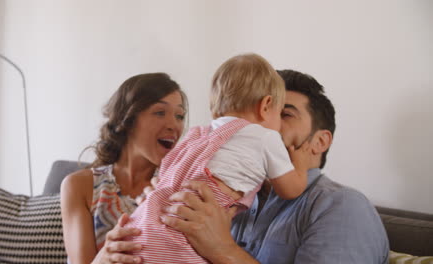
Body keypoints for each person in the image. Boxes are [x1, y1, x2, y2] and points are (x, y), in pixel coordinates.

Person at [159, 69, 390, 263]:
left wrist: (223, 250)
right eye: (261, 114)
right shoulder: (228, 193)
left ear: (320, 141)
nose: (260, 127)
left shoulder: (343, 206)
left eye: (285, 114)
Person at [123, 54, 312, 263]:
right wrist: (300, 164)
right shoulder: (266, 137)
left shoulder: (200, 135)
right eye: (280, 113)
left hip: (149, 224)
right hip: (186, 231)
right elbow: (290, 190)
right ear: (266, 106)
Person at [60, 72, 188, 264]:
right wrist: (103, 259)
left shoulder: (178, 189)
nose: (174, 125)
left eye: (180, 116)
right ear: (128, 120)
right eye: (160, 112)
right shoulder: (79, 186)